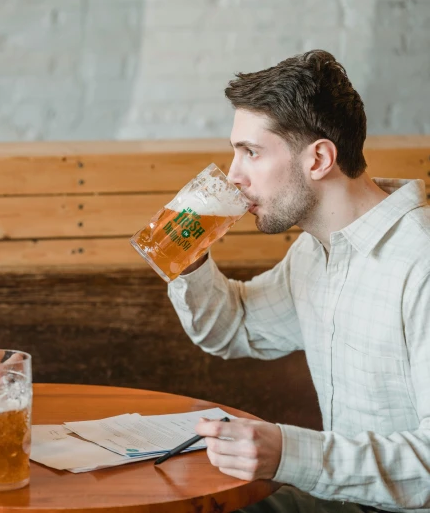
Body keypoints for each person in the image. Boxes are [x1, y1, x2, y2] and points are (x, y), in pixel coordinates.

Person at [167, 50, 430, 512]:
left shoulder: (420, 262)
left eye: (251, 153)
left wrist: (289, 453)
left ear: (319, 159)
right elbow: (235, 326)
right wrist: (188, 260)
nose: (233, 177)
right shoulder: (315, 250)